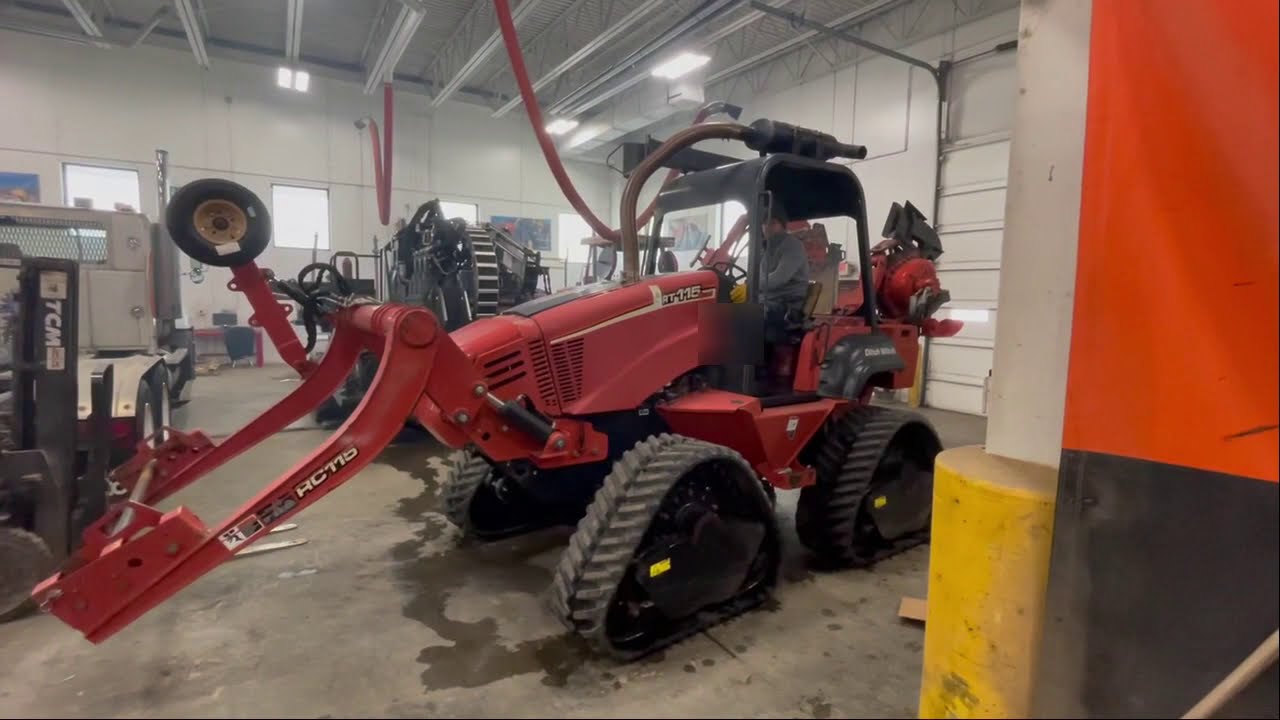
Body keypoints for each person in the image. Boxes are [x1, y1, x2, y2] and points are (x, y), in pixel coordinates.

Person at [759, 206, 810, 340]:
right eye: (764, 223)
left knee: (749, 315)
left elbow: (778, 278)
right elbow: (758, 275)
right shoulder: (765, 249)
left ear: (783, 225)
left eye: (773, 223)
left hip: (789, 305)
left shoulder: (793, 246)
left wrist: (750, 286)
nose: (767, 227)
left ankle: (752, 359)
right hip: (770, 301)